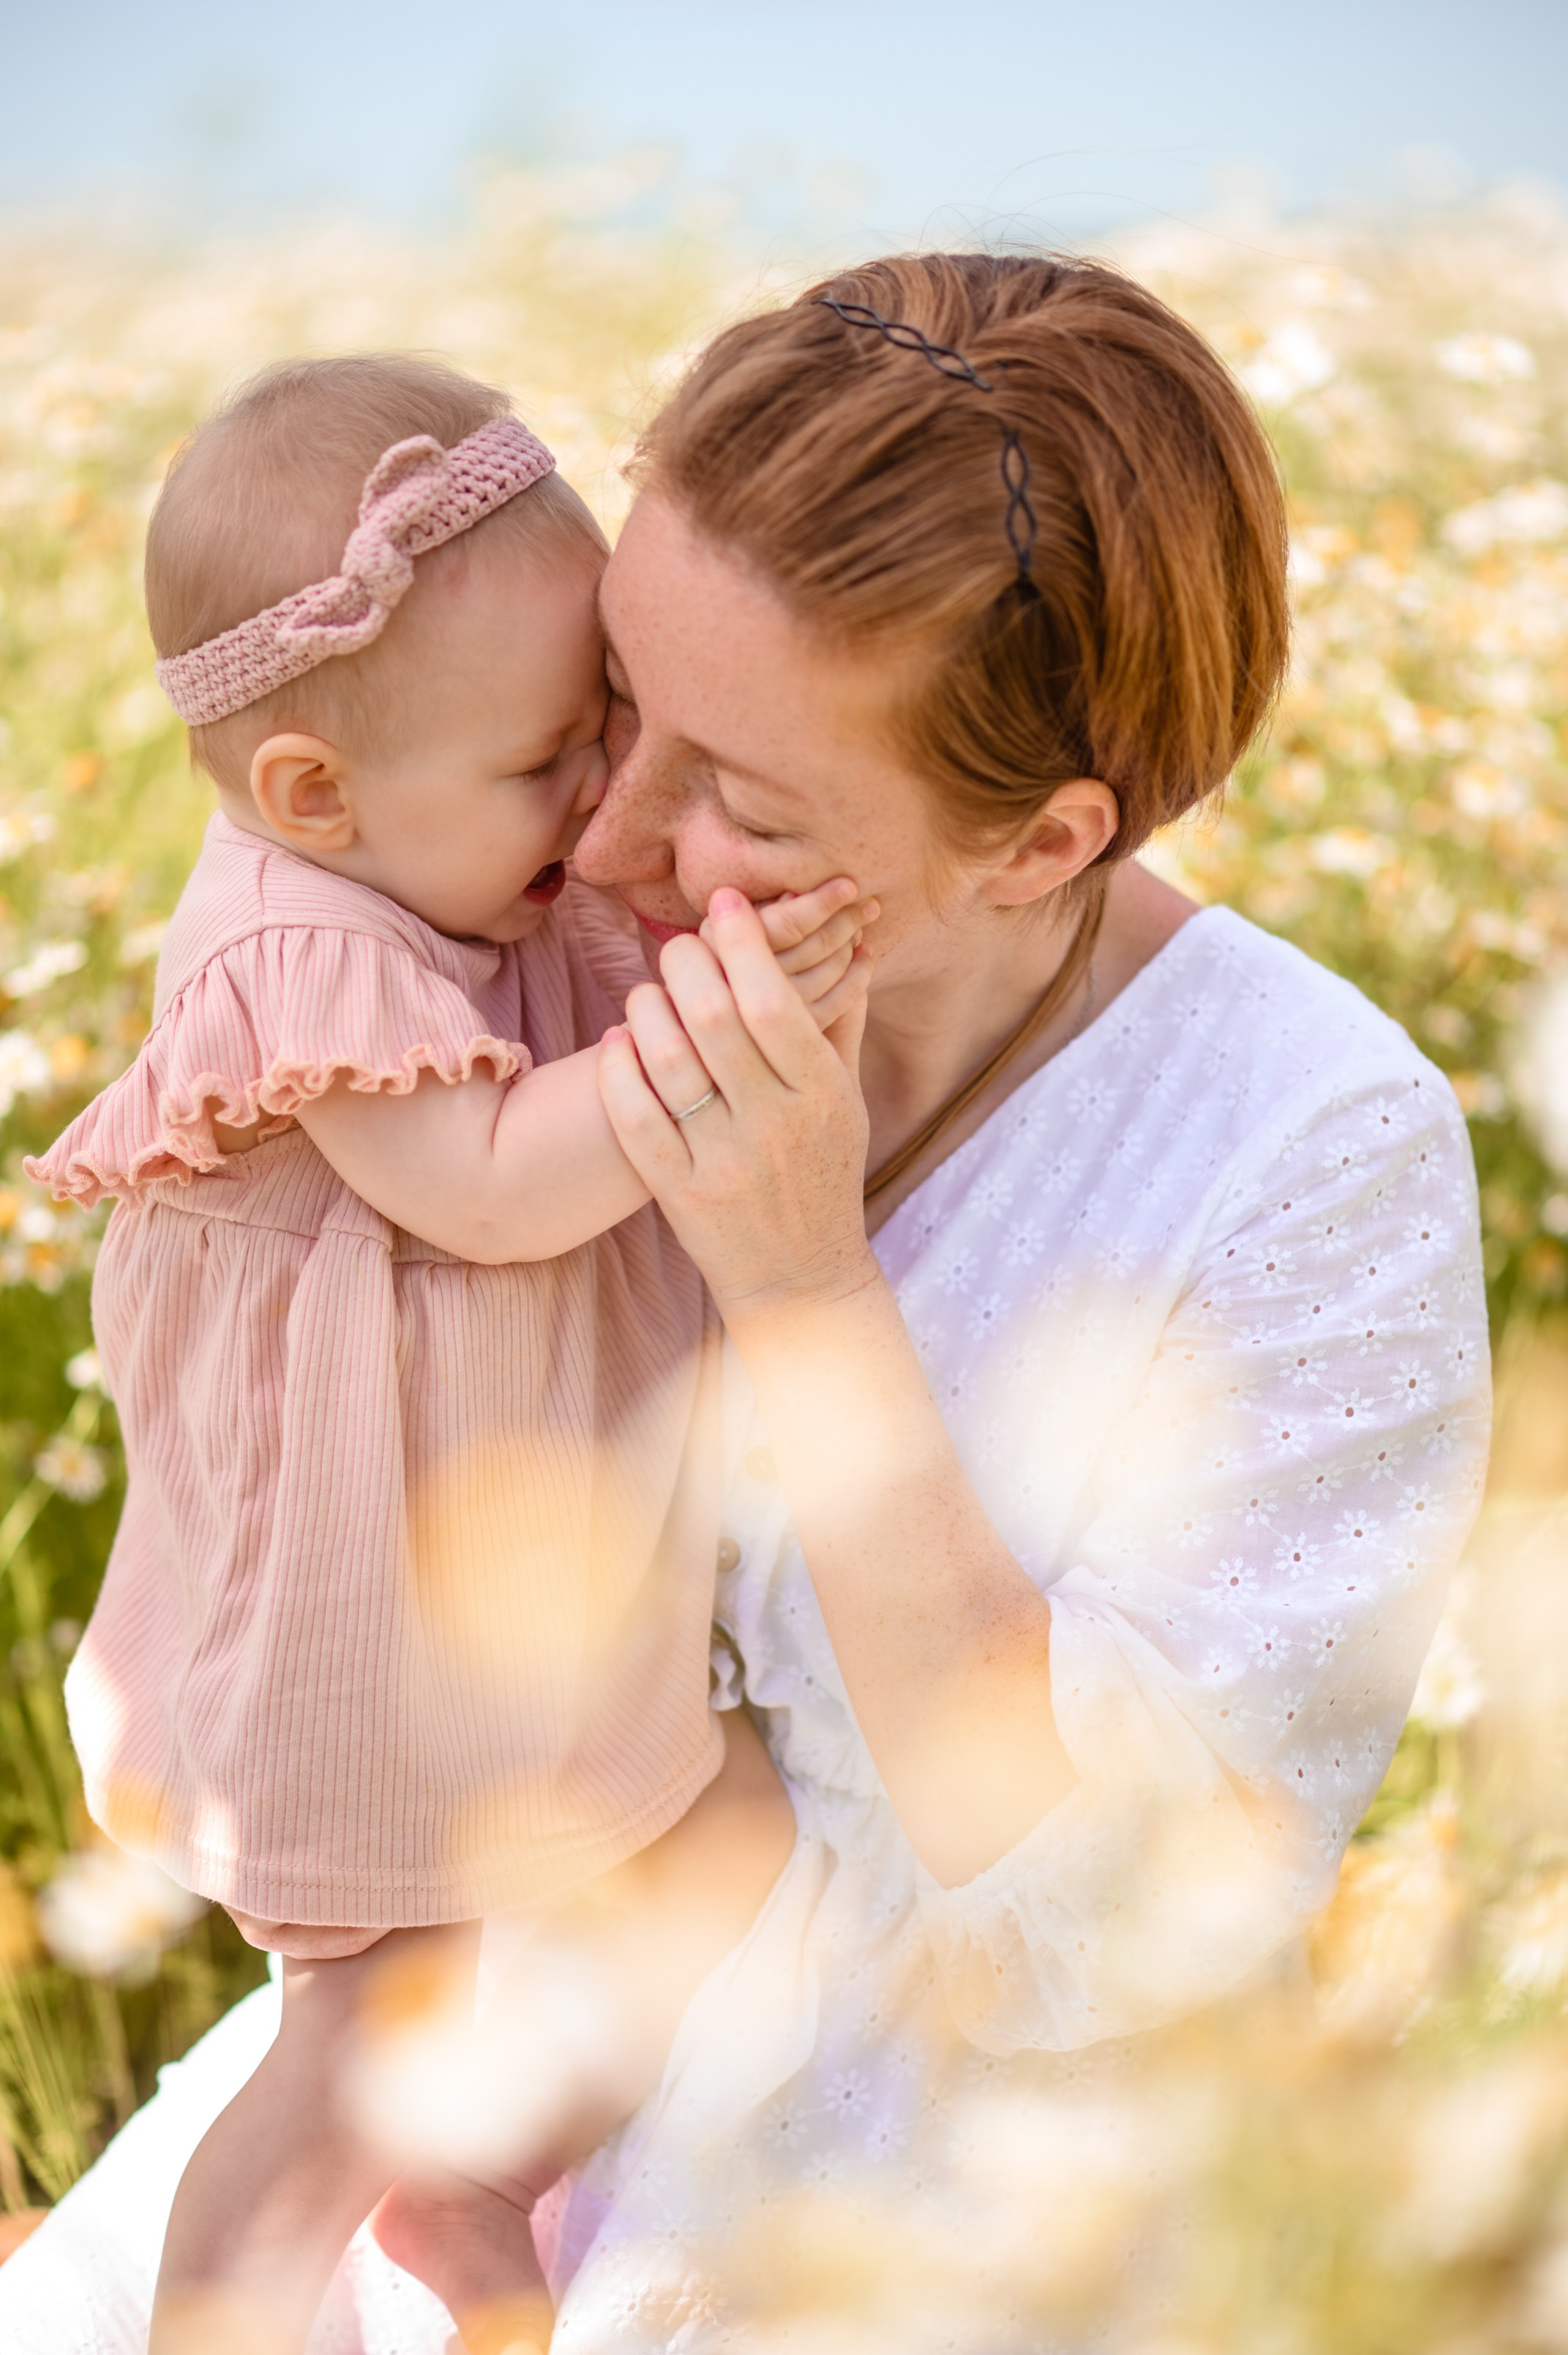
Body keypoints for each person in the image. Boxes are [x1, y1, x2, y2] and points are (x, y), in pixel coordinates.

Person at [1, 252, 1489, 2354]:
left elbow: (1128, 1934)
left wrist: (803, 1285)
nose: (609, 834)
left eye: (743, 805)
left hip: (912, 2204)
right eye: (614, 704)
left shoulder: (1306, 1152)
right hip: (443, 2040)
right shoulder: (480, 910)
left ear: (1038, 843)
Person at [21, 354, 866, 2355]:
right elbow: (488, 1187)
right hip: (361, 1600)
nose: (602, 802)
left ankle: (477, 2170)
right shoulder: (289, 951)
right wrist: (697, 1061)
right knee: (362, 2032)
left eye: (612, 734)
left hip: (500, 1557)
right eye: (550, 764)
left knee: (728, 1833)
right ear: (313, 792)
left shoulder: (451, 857)